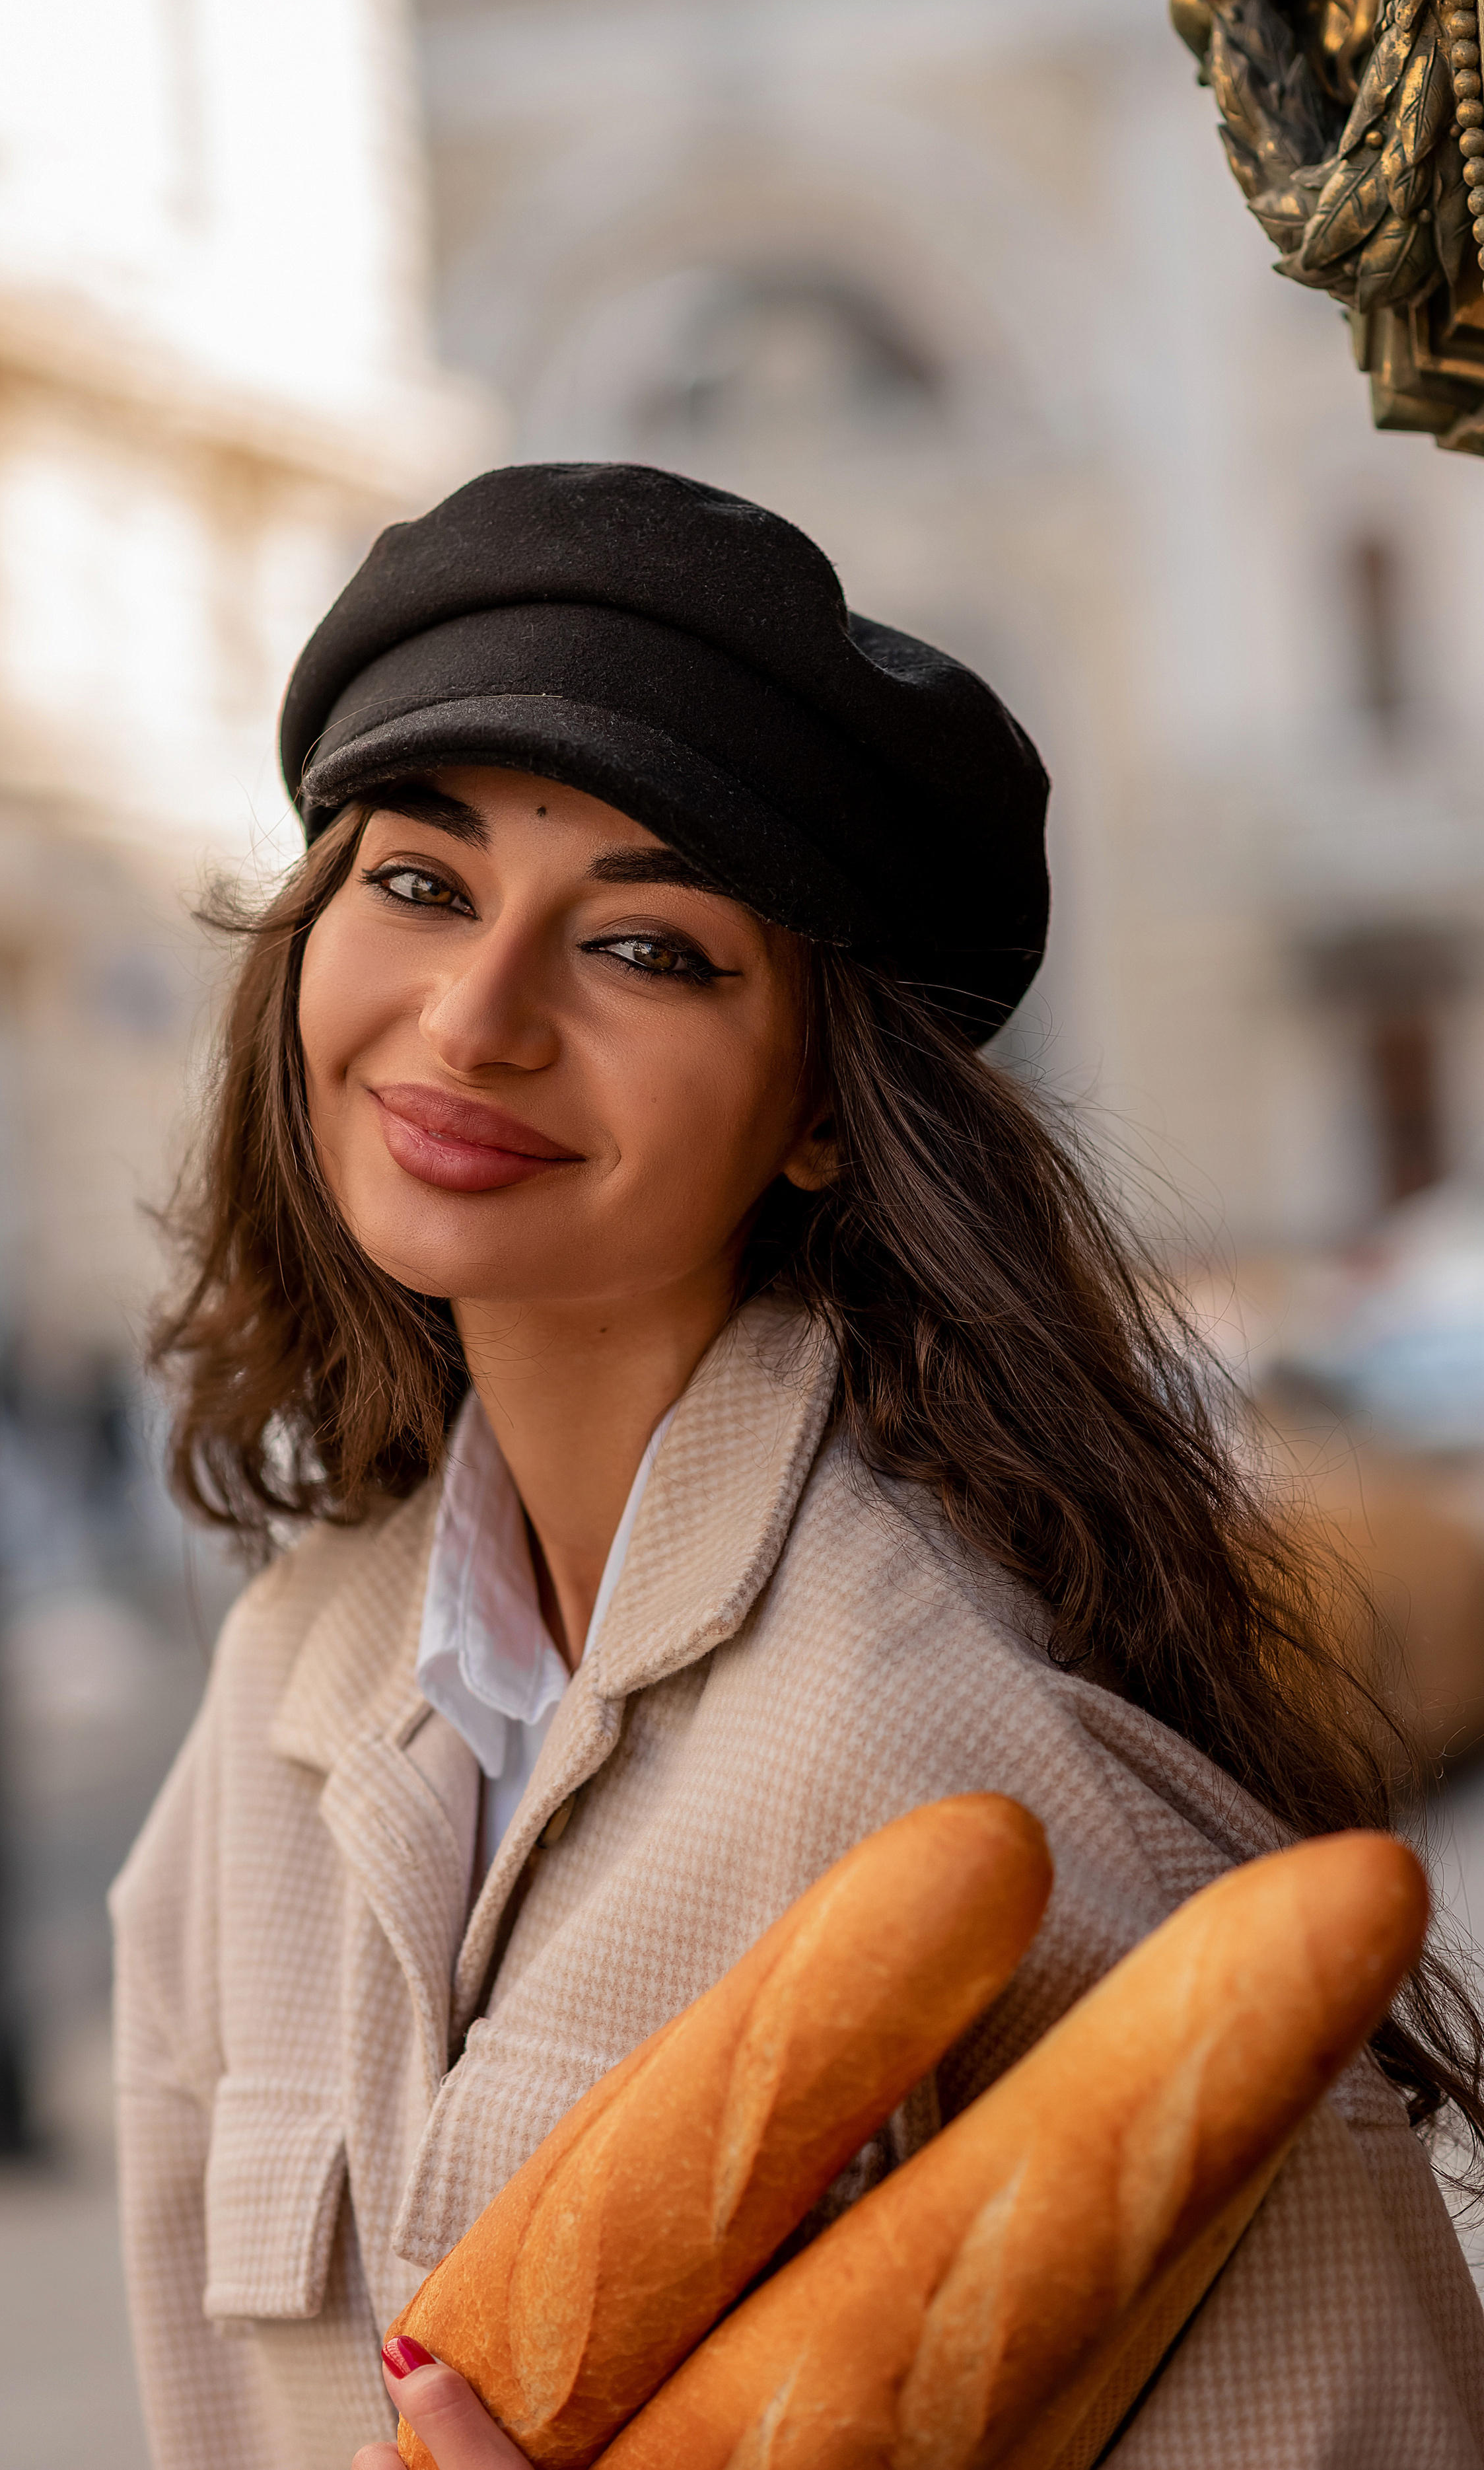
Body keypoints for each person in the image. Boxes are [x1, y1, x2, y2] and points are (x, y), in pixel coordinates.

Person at [112, 462, 1484, 2470]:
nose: (478, 1015)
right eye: (420, 882)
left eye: (649, 948)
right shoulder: (286, 1694)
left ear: (827, 1106)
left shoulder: (976, 1769)